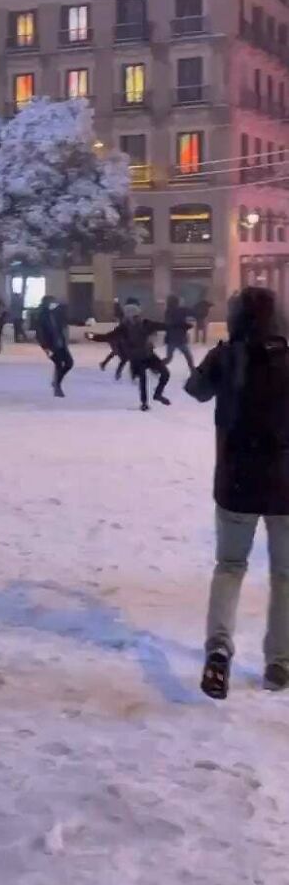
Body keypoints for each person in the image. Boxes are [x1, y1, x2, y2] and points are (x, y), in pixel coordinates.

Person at [186, 287, 289, 698]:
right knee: (285, 577)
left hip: (235, 484)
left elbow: (195, 389)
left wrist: (218, 355)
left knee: (229, 567)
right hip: (285, 486)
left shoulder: (227, 358)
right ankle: (279, 663)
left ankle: (219, 649)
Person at [35, 295, 73, 397]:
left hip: (61, 343)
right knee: (59, 364)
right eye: (52, 302)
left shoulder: (56, 314)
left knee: (69, 363)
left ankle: (56, 382)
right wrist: (45, 347)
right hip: (51, 346)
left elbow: (66, 321)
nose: (54, 304)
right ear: (46, 303)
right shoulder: (42, 316)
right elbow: (39, 334)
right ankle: (57, 386)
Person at [163, 294, 195, 373]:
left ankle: (157, 367)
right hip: (180, 338)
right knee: (188, 356)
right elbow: (192, 312)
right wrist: (186, 325)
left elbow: (169, 324)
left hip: (171, 339)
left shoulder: (168, 311)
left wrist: (185, 325)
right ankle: (193, 371)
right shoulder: (181, 310)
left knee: (169, 358)